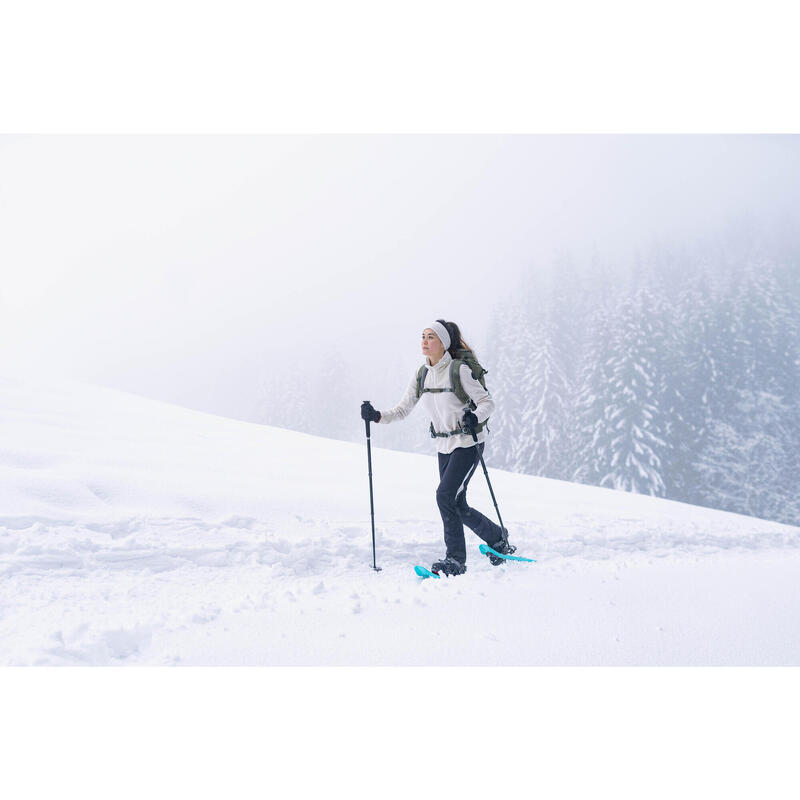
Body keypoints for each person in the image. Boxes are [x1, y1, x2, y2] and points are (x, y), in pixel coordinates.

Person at [360, 319, 516, 576]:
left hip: (467, 443)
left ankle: (455, 561)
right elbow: (402, 409)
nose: (424, 340)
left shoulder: (458, 370)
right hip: (444, 445)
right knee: (457, 502)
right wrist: (376, 415)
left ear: (443, 343)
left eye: (431, 336)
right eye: (423, 336)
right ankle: (497, 538)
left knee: (445, 496)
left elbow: (487, 402)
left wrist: (475, 417)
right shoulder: (422, 374)